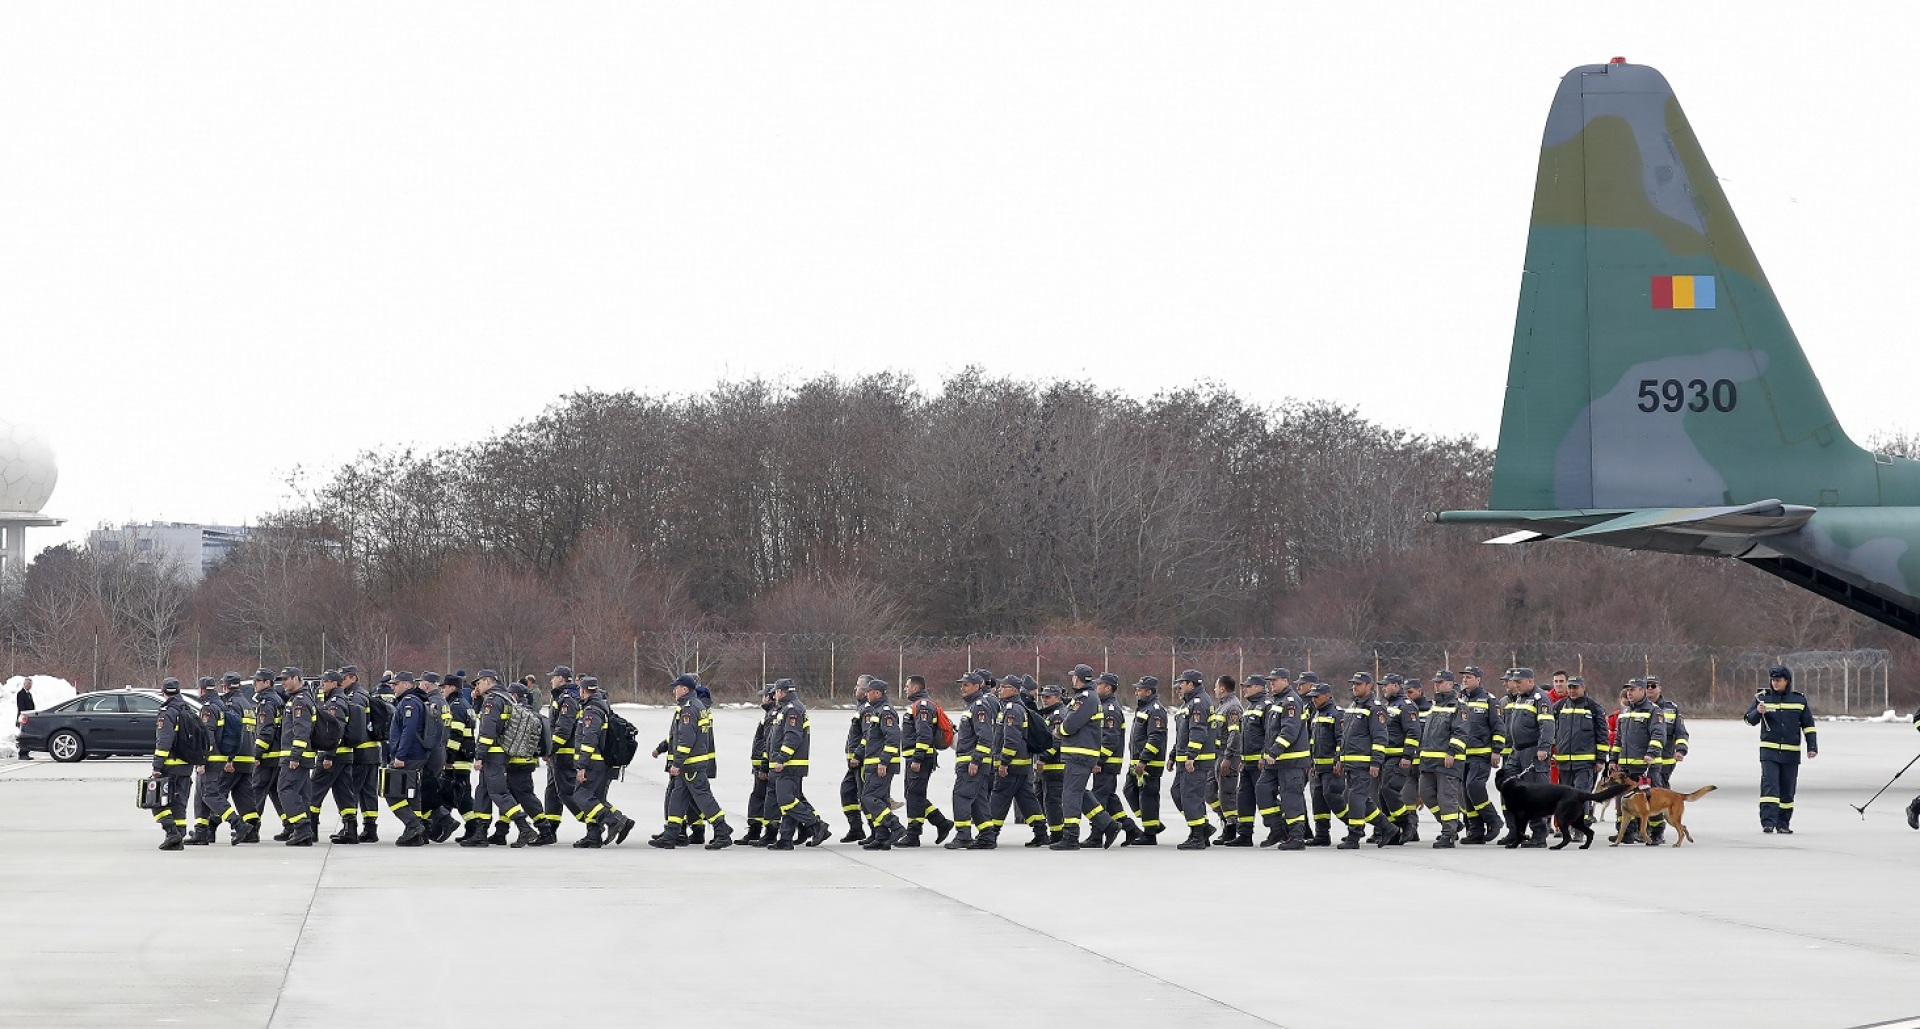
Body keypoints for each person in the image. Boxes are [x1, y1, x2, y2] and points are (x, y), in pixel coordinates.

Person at [651, 674, 733, 850]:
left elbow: (686, 739)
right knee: (677, 799)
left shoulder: (689, 708)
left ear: (685, 689)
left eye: (677, 687)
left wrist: (677, 763)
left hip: (691, 764)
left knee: (704, 799)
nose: (674, 691)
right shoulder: (697, 706)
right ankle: (671, 834)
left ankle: (722, 831)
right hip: (690, 764)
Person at [464, 670, 538, 848]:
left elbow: (487, 731)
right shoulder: (505, 698)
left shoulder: (493, 700)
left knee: (498, 792)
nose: (476, 687)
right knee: (482, 791)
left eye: (479, 683)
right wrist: (476, 700)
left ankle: (525, 828)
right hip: (499, 753)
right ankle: (480, 833)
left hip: (493, 753)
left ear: (488, 681)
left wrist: (480, 755)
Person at [970, 674, 1042, 850]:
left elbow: (1011, 739)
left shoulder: (1012, 709)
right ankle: (1041, 832)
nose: (1000, 690)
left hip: (1012, 765)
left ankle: (989, 835)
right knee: (1026, 799)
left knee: (998, 798)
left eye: (1004, 687)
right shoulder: (1014, 707)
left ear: (1014, 690)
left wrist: (1004, 762)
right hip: (1020, 765)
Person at [1745, 666, 1817, 835]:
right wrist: (1758, 711)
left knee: (1787, 789)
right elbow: (1749, 720)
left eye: (1778, 680)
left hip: (1791, 753)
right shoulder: (1762, 698)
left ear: (1787, 681)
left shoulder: (1799, 700)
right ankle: (1768, 822)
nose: (1775, 683)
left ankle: (1783, 823)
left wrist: (1812, 746)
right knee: (1770, 787)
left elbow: (1808, 725)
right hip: (1769, 752)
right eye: (1773, 680)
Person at [1330, 672, 1397, 849]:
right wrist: (1339, 758)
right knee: (1351, 797)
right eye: (1353, 684)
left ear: (1369, 686)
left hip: (1364, 763)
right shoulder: (1353, 706)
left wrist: (1376, 762)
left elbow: (1380, 737)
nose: (1354, 687)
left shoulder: (1375, 708)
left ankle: (1354, 836)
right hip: (1350, 762)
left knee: (1355, 798)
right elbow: (1345, 736)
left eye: (1358, 684)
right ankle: (1387, 826)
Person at [569, 677, 637, 848]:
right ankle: (594, 835)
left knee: (581, 795)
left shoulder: (591, 710)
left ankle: (614, 821)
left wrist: (581, 766)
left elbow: (589, 739)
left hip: (593, 763)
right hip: (601, 762)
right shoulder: (602, 706)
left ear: (583, 690)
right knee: (596, 799)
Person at [1056, 669, 1118, 850]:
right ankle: (1108, 825)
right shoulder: (1088, 697)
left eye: (1074, 676)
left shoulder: (1086, 698)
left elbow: (1072, 723)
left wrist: (1059, 731)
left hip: (1079, 754)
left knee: (1071, 794)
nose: (1072, 679)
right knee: (1080, 793)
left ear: (1078, 679)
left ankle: (1070, 836)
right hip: (1080, 753)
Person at [765, 678, 831, 849]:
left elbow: (792, 736)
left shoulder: (792, 709)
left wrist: (781, 759)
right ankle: (785, 839)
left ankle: (816, 825)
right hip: (790, 763)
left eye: (776, 692)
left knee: (785, 800)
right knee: (791, 800)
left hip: (790, 764)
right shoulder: (788, 708)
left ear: (781, 692)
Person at [1496, 667, 1555, 847]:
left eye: (1519, 682)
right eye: (1515, 682)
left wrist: (1544, 747)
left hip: (1532, 751)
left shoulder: (1540, 699)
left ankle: (1539, 835)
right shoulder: (1520, 698)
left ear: (1530, 681)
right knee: (1509, 789)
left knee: (1534, 793)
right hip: (1516, 751)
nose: (1516, 685)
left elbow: (1547, 725)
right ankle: (1515, 831)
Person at [899, 675, 953, 846]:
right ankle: (941, 822)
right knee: (912, 794)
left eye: (907, 686)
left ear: (916, 688)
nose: (905, 689)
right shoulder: (919, 705)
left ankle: (914, 834)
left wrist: (917, 758)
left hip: (920, 759)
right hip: (916, 757)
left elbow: (924, 734)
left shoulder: (922, 706)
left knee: (914, 794)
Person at [1415, 670, 1467, 848]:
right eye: (1435, 682)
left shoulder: (1458, 706)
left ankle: (1448, 834)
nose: (1436, 685)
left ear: (1451, 684)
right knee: (1426, 793)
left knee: (1447, 797)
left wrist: (1452, 752)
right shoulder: (1434, 705)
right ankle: (1451, 824)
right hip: (1428, 761)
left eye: (1441, 682)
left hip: (1447, 761)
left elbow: (1460, 732)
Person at [1260, 669, 1311, 850]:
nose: (1271, 683)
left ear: (1286, 681)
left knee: (1291, 798)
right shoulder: (1278, 701)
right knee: (1263, 789)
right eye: (1270, 680)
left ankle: (1297, 837)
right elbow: (1270, 733)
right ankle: (1277, 828)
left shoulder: (1291, 702)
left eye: (1274, 680)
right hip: (1276, 761)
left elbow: (1289, 731)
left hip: (1291, 762)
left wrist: (1274, 752)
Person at [1614, 678, 1669, 842]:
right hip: (1626, 766)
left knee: (1651, 799)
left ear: (1643, 691)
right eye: (1628, 690)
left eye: (1633, 690)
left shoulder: (1653, 711)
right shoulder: (1625, 712)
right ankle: (1627, 833)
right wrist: (1613, 759)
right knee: (1624, 799)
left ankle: (1656, 832)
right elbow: (1618, 739)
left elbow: (1658, 734)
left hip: (1646, 766)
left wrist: (1651, 753)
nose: (1629, 693)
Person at [946, 672, 996, 850]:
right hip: (973, 762)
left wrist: (975, 760)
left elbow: (985, 736)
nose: (962, 688)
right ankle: (987, 836)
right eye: (962, 684)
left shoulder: (979, 706)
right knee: (978, 800)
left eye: (966, 685)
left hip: (971, 763)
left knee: (961, 796)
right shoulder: (973, 706)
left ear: (977, 686)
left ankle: (963, 835)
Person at [1550, 676, 1608, 826]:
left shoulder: (1594, 707)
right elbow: (1552, 732)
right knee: (1565, 796)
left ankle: (1580, 827)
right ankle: (1567, 825)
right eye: (1569, 687)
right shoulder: (1559, 707)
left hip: (1585, 762)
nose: (1571, 690)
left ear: (1583, 688)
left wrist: (1601, 759)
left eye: (1575, 687)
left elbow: (1602, 735)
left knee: (1581, 794)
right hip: (1564, 762)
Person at [1456, 666, 1505, 845]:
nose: (1465, 680)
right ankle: (1475, 830)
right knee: (1465, 793)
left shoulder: (1489, 700)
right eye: (1464, 677)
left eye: (1469, 677)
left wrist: (1496, 750)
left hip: (1481, 753)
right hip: (1461, 754)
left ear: (1478, 680)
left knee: (1474, 787)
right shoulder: (1459, 698)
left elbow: (1498, 727)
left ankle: (1493, 820)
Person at [855, 677, 905, 850]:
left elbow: (893, 737)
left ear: (877, 693)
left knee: (869, 798)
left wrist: (884, 761)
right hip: (873, 764)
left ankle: (895, 826)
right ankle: (882, 837)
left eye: (868, 691)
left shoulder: (885, 712)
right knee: (880, 800)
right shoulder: (876, 711)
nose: (866, 694)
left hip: (881, 765)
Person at [1170, 669, 1218, 850]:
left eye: (1181, 684)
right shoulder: (1189, 704)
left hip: (1195, 761)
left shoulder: (1198, 703)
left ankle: (1197, 834)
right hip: (1185, 759)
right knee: (1178, 794)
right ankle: (1202, 827)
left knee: (1190, 796)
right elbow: (1182, 734)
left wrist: (1191, 756)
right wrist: (1174, 755)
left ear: (1191, 684)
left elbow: (1198, 732)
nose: (1178, 689)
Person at [148, 677, 198, 851]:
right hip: (187, 765)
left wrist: (157, 766)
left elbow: (164, 742)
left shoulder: (167, 712)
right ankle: (179, 835)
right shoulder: (188, 709)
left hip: (170, 765)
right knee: (179, 802)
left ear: (163, 691)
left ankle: (171, 833)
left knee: (153, 798)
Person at [188, 677, 238, 846]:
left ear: (202, 690)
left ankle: (237, 823)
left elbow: (207, 735)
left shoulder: (209, 708)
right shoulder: (221, 705)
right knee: (200, 796)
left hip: (211, 758)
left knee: (210, 795)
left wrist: (202, 760)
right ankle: (201, 832)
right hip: (218, 757)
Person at [384, 672, 431, 846]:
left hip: (409, 755)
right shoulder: (417, 701)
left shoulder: (409, 702)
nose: (393, 688)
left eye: (395, 685)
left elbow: (408, 730)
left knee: (392, 792)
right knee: (412, 794)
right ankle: (416, 835)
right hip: (416, 754)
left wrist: (400, 755)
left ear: (406, 684)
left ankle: (413, 825)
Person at [538, 666, 583, 846]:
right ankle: (550, 828)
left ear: (562, 679)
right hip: (557, 755)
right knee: (552, 792)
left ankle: (594, 821)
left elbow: (563, 730)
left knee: (566, 792)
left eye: (554, 677)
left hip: (564, 754)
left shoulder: (567, 699)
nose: (551, 680)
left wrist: (550, 749)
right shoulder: (560, 696)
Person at [1124, 676, 1170, 845]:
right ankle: (1153, 823)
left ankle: (1150, 834)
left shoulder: (1155, 710)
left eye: (1140, 689)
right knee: (1129, 790)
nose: (1136, 691)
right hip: (1138, 762)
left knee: (1148, 797)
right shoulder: (1144, 708)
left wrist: (1143, 761)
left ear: (1148, 691)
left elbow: (1156, 738)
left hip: (1149, 763)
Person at [276, 669, 320, 847]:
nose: (283, 683)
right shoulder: (299, 699)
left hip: (296, 757)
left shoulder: (300, 701)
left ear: (297, 679)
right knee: (301, 794)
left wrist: (295, 756)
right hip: (301, 757)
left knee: (285, 790)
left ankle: (301, 829)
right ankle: (304, 831)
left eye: (286, 679)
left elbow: (301, 731)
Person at [1090, 673, 1135, 845]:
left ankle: (1096, 836)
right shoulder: (1104, 706)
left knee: (1099, 798)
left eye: (1099, 685)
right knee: (1109, 798)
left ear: (1108, 687)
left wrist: (1099, 761)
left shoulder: (1110, 709)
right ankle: (1130, 829)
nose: (1096, 687)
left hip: (1106, 763)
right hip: (1106, 762)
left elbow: (1110, 739)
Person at [1378, 673, 1419, 844]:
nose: (1383, 688)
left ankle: (1407, 822)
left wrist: (1407, 755)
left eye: (1386, 685)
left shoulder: (1406, 706)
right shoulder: (1389, 706)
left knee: (1389, 790)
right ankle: (1393, 830)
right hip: (1387, 757)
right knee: (1383, 794)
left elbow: (1413, 732)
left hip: (1399, 757)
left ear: (1396, 686)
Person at [343, 667, 382, 843]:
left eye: (344, 678)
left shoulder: (355, 696)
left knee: (353, 790)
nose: (340, 681)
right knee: (369, 791)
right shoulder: (365, 694)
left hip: (361, 751)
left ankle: (350, 828)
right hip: (372, 750)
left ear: (353, 678)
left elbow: (355, 725)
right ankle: (370, 828)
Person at [1303, 676, 1340, 847]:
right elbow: (1313, 741)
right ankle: (1322, 834)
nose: (1314, 700)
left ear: (1327, 696)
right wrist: (1311, 762)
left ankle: (1355, 827)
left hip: (1331, 766)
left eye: (1317, 696)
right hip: (1317, 766)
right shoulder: (1317, 714)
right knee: (1318, 801)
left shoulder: (1336, 713)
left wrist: (1338, 760)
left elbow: (1341, 740)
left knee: (1332, 798)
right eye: (1312, 697)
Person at [1208, 674, 1244, 843]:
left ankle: (1231, 827)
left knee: (1227, 793)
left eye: (1216, 687)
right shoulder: (1222, 706)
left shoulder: (1233, 707)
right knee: (1209, 792)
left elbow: (1235, 734)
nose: (1215, 690)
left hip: (1228, 755)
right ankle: (1225, 818)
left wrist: (1228, 757)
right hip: (1217, 754)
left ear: (1222, 688)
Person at [839, 674, 872, 843]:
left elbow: (868, 735)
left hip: (861, 761)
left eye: (858, 686)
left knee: (865, 796)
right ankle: (856, 828)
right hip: (853, 762)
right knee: (847, 791)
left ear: (867, 691)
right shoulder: (861, 708)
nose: (855, 688)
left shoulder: (867, 709)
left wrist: (858, 754)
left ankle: (879, 829)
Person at [14, 677, 34, 759]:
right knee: (24, 735)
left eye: (30, 684)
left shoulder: (29, 694)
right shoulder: (20, 694)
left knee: (28, 735)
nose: (29, 685)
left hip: (29, 717)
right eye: (27, 684)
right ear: (24, 684)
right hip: (24, 717)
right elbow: (21, 707)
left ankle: (26, 752)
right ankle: (22, 753)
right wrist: (24, 716)